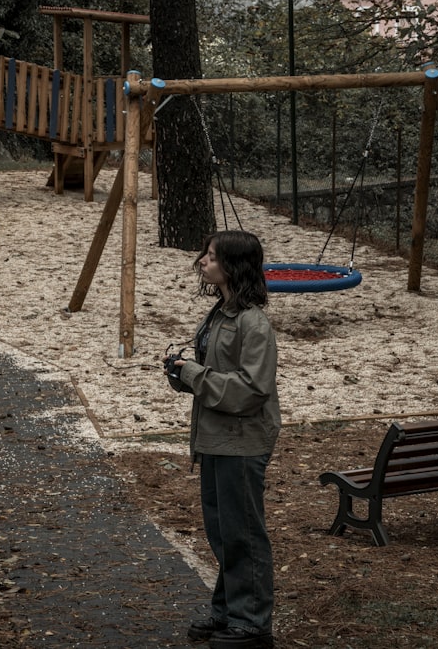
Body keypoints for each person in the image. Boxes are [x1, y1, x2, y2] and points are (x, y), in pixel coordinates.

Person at [164, 230, 281, 649]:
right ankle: (227, 610)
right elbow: (213, 378)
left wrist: (193, 375)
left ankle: (252, 624)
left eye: (211, 256)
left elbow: (251, 390)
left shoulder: (253, 323)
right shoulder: (219, 313)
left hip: (242, 442)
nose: (202, 261)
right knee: (221, 531)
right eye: (204, 254)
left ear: (232, 265)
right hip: (214, 438)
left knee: (243, 532)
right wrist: (180, 374)